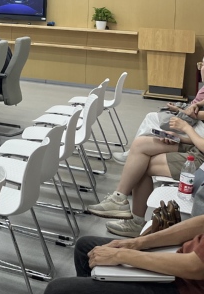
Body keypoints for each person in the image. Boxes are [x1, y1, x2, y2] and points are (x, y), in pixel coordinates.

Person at [88, 114, 204, 237]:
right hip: (198, 146)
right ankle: (119, 198)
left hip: (200, 159)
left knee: (141, 165)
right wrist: (181, 138)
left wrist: (186, 128)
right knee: (140, 144)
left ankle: (135, 221)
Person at [44, 215, 204, 294]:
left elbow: (195, 267)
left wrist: (120, 255)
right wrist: (137, 243)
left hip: (186, 286)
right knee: (84, 247)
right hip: (186, 258)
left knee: (58, 290)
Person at [113, 57, 204, 164]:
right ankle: (134, 154)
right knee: (151, 119)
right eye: (201, 64)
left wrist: (178, 110)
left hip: (196, 126)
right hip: (193, 120)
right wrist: (196, 104)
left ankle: (133, 155)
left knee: (151, 120)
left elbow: (194, 114)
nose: (201, 68)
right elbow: (195, 107)